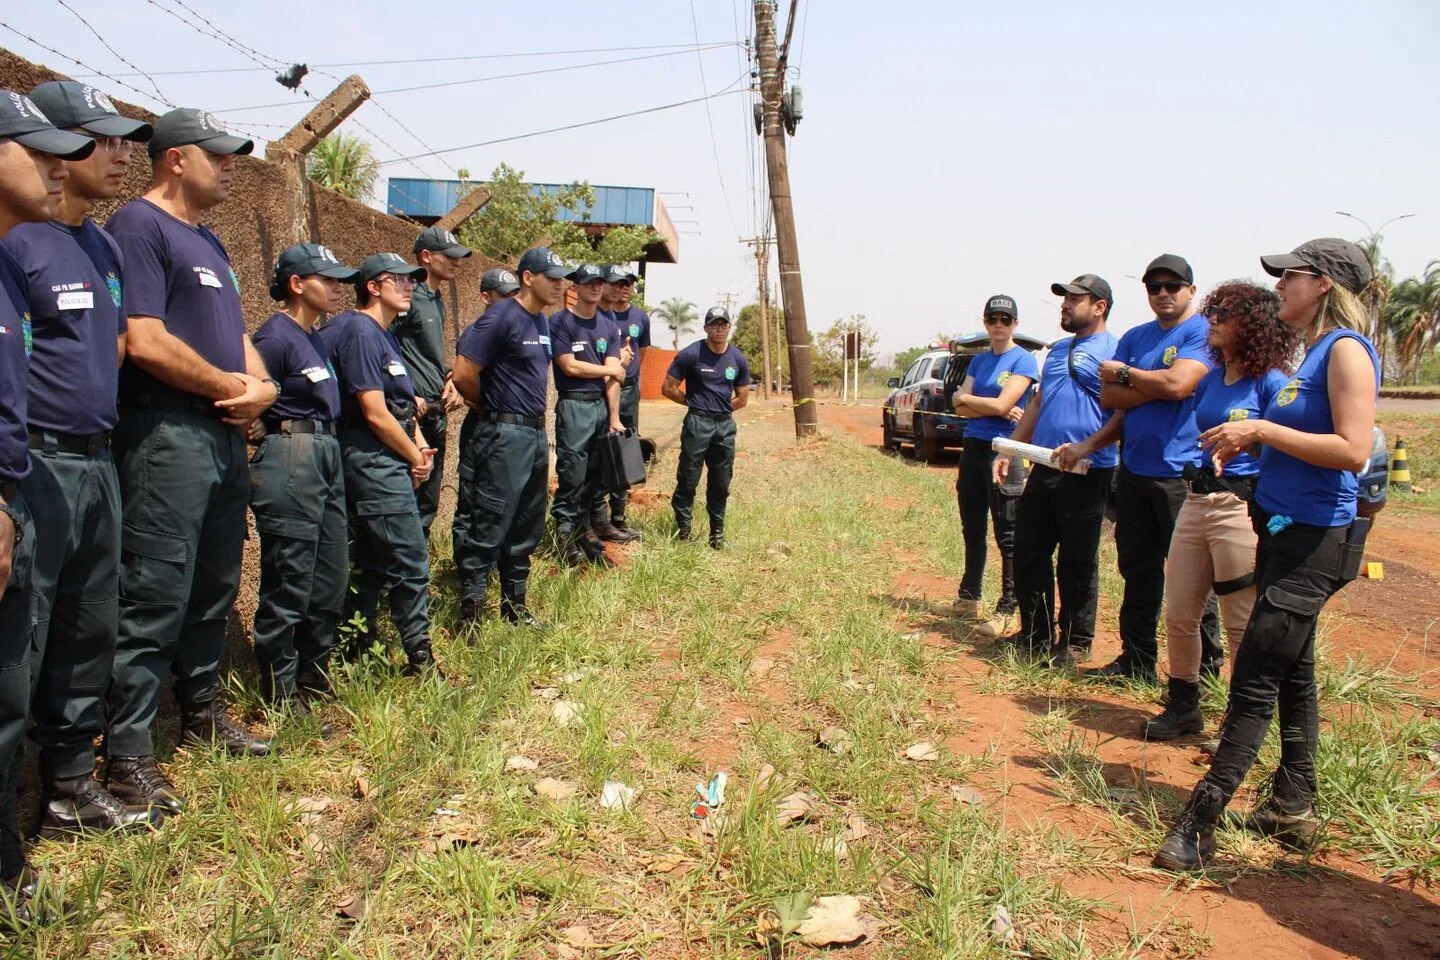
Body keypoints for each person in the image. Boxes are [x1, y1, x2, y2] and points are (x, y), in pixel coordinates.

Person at [1154, 239, 1379, 871]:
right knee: (1294, 671)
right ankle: (1292, 803)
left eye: (1291, 277)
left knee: (1254, 676)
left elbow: (1353, 450)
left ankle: (1200, 820)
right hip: (1281, 528)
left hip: (1316, 540)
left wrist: (1260, 429)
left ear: (1325, 286)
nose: (1280, 286)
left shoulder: (1347, 354)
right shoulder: (1312, 356)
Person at [105, 108, 275, 818]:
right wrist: (230, 388)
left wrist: (260, 385)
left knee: (213, 584)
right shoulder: (138, 228)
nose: (231, 166)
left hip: (220, 435)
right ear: (176, 159)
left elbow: (237, 338)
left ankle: (202, 714)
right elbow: (143, 340)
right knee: (154, 593)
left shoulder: (208, 241)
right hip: (166, 433)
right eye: (220, 155)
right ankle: (128, 755)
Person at [0, 81, 158, 841]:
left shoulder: (100, 243)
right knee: (24, 640)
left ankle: (67, 786)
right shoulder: (16, 239)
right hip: (36, 462)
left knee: (91, 629)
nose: (118, 154)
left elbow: (120, 341)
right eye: (103, 140)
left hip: (98, 459)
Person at [0, 87, 100, 922]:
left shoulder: (26, 255)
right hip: (28, 477)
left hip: (47, 476)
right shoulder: (18, 254)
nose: (54, 165)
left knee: (60, 643)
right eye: (32, 149)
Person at [1143, 281, 1294, 741]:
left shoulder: (1272, 383)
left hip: (1239, 507)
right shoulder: (1210, 380)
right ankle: (1183, 705)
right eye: (1214, 311)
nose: (1213, 320)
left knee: (1239, 619)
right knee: (1180, 611)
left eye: (1224, 314)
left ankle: (1242, 721)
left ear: (1252, 325)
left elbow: (1285, 450)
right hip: (1196, 500)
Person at [1085, 255, 1220, 682]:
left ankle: (1206, 669)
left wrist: (1129, 374)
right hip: (1135, 472)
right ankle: (1136, 660)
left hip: (1179, 474)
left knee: (1194, 578)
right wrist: (1159, 384)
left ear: (1191, 291)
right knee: (1137, 570)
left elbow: (1182, 384)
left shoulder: (1202, 332)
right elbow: (1110, 399)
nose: (1163, 293)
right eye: (1154, 286)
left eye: (1173, 285)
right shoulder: (1136, 336)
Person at [248, 244, 356, 725]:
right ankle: (280, 695)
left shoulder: (314, 337)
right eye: (327, 279)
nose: (338, 287)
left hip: (325, 454)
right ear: (297, 284)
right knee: (290, 579)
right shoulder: (274, 337)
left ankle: (315, 679)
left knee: (329, 579)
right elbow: (249, 393)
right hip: (292, 454)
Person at [317, 253, 440, 677]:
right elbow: (373, 411)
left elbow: (401, 406)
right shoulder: (357, 329)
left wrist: (420, 449)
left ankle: (359, 647)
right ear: (373, 286)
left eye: (412, 282)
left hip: (391, 456)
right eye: (400, 280)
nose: (409, 287)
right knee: (409, 557)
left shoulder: (384, 335)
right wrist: (412, 455)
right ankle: (420, 659)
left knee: (373, 560)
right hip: (371, 457)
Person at [1001, 275, 1119, 662]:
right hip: (1045, 464)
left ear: (1099, 306)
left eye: (1074, 299)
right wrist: (1012, 449)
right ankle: (1033, 635)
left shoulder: (1115, 350)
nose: (1065, 305)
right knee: (1029, 551)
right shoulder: (1056, 351)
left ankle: (1076, 642)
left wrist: (1091, 445)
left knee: (1077, 559)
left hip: (1089, 469)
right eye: (1064, 299)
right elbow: (1036, 404)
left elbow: (1124, 410)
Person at [451, 247, 566, 626]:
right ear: (529, 278)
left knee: (527, 524)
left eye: (561, 278)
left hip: (534, 434)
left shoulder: (543, 323)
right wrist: (486, 406)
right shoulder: (500, 318)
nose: (559, 285)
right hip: (502, 433)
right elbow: (464, 371)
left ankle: (515, 608)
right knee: (489, 522)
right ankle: (471, 615)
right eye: (552, 277)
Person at [949, 294, 1038, 638]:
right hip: (972, 448)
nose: (998, 325)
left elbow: (1002, 403)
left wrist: (968, 398)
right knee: (973, 527)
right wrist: (985, 405)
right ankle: (969, 596)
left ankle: (1008, 608)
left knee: (1008, 533)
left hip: (1005, 451)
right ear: (985, 322)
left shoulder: (1024, 361)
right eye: (992, 319)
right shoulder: (979, 361)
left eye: (1005, 319)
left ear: (1015, 324)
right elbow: (961, 409)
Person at [392, 226, 470, 539]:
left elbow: (427, 354)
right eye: (449, 256)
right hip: (414, 410)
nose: (456, 262)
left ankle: (417, 577)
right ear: (426, 256)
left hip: (436, 408)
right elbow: (387, 347)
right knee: (409, 494)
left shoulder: (435, 299)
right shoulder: (407, 295)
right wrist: (407, 391)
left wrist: (450, 377)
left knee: (429, 499)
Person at [453, 267, 520, 623]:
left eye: (514, 294)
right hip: (484, 427)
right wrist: (486, 404)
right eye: (503, 295)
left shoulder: (516, 327)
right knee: (473, 503)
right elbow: (464, 377)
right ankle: (466, 580)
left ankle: (493, 574)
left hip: (504, 431)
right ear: (485, 297)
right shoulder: (481, 331)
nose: (511, 301)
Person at [549, 263, 625, 567]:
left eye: (599, 282)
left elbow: (615, 380)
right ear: (575, 288)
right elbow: (569, 365)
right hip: (574, 405)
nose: (595, 287)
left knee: (595, 474)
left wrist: (614, 417)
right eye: (588, 282)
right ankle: (563, 540)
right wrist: (610, 369)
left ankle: (584, 533)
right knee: (572, 474)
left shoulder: (608, 326)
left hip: (599, 407)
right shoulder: (561, 321)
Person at [663, 307, 752, 548]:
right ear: (706, 327)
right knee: (688, 478)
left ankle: (717, 534)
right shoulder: (691, 354)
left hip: (724, 426)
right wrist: (693, 405)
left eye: (723, 324)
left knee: (721, 481)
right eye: (714, 324)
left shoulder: (738, 359)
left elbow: (743, 397)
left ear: (729, 328)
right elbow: (668, 388)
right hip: (697, 423)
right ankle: (683, 533)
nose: (719, 328)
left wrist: (721, 410)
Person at [593, 264, 649, 542]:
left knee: (624, 450)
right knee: (598, 451)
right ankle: (595, 518)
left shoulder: (640, 317)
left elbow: (643, 353)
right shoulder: (598, 315)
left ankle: (618, 517)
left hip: (628, 390)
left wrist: (628, 375)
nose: (622, 287)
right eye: (617, 282)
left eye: (628, 283)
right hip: (598, 390)